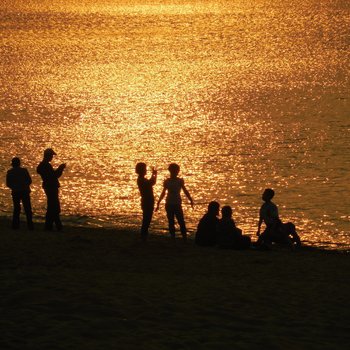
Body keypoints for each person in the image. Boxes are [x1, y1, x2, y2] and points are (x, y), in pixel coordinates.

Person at [155, 163, 194, 242]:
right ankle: (173, 237)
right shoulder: (167, 181)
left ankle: (184, 238)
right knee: (171, 221)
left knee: (181, 221)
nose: (176, 172)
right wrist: (158, 203)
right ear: (171, 171)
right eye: (175, 170)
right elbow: (163, 192)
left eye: (177, 170)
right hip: (169, 203)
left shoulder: (180, 181)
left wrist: (190, 199)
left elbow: (185, 190)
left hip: (177, 203)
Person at [37, 148, 66, 231]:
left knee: (52, 207)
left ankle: (51, 226)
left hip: (48, 187)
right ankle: (53, 226)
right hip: (51, 187)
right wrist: (60, 168)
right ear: (48, 156)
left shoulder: (43, 165)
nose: (52, 157)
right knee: (54, 207)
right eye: (51, 155)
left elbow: (52, 175)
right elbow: (54, 176)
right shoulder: (46, 165)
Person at [6, 157, 34, 230]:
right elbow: (29, 181)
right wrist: (24, 185)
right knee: (28, 209)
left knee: (16, 209)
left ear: (12, 164)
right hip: (25, 191)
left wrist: (14, 187)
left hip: (15, 192)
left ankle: (15, 226)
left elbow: (8, 184)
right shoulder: (24, 171)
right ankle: (30, 225)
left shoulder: (10, 172)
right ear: (19, 163)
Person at [135, 162, 157, 241]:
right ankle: (143, 236)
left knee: (147, 218)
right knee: (146, 219)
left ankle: (144, 235)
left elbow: (152, 182)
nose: (146, 170)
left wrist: (154, 175)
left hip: (148, 200)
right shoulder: (141, 180)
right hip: (147, 201)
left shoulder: (142, 179)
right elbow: (151, 183)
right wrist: (154, 175)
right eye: (144, 169)